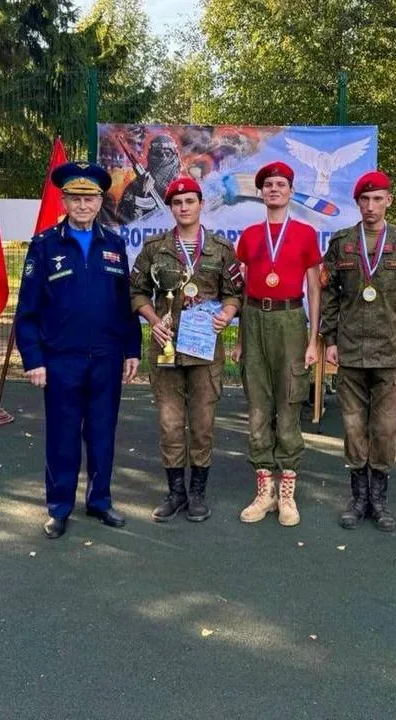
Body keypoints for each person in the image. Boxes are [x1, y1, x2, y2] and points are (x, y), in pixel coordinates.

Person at [14, 162, 142, 539]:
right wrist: (34, 359)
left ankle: (100, 501)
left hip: (106, 357)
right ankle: (59, 507)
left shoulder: (114, 245)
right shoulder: (44, 245)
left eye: (90, 198)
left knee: (103, 433)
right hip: (61, 360)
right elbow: (27, 312)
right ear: (64, 200)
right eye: (75, 198)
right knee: (63, 435)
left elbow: (125, 305)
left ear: (101, 200)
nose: (83, 205)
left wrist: (132, 349)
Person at [320, 170, 396, 532]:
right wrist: (331, 339)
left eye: (378, 199)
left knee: (384, 429)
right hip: (351, 351)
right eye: (365, 200)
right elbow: (329, 293)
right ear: (357, 203)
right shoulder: (341, 243)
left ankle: (379, 499)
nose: (371, 206)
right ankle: (358, 498)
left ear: (389, 201)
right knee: (353, 428)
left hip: (390, 352)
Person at [129, 177, 243, 523]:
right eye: (177, 203)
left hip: (205, 351)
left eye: (190, 201)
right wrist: (152, 319)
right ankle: (175, 492)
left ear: (200, 204)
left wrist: (227, 313)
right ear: (171, 207)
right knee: (169, 423)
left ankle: (197, 493)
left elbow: (235, 292)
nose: (184, 207)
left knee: (203, 424)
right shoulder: (154, 248)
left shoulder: (221, 249)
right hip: (166, 349)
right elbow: (136, 292)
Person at [235, 161, 321, 527]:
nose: (274, 189)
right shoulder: (250, 235)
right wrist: (239, 338)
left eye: (280, 184)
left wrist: (313, 339)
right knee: (258, 408)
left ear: (290, 191)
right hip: (254, 319)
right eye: (268, 184)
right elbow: (240, 290)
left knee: (289, 403)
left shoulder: (304, 233)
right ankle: (264, 490)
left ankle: (287, 493)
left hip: (290, 320)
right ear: (261, 192)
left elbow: (315, 289)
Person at [118, 134, 181, 221]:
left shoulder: (182, 185)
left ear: (174, 155)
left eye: (168, 153)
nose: (163, 157)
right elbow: (124, 221)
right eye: (158, 153)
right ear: (151, 155)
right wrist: (143, 194)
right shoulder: (135, 186)